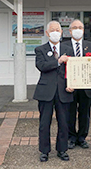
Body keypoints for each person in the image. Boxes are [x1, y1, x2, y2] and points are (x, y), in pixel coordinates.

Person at [33, 21, 74, 162]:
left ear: (62, 32)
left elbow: (73, 70)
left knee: (63, 122)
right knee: (45, 123)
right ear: (47, 33)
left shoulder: (68, 49)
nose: (55, 32)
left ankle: (62, 150)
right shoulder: (40, 49)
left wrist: (72, 84)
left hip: (64, 91)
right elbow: (41, 66)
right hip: (46, 91)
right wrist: (58, 62)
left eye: (58, 29)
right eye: (52, 30)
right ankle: (44, 151)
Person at [62, 19, 91, 149]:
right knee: (70, 113)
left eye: (80, 27)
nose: (77, 30)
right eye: (75, 27)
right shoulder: (63, 46)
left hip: (86, 86)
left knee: (85, 113)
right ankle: (71, 137)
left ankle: (82, 137)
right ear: (70, 31)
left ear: (83, 30)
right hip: (70, 86)